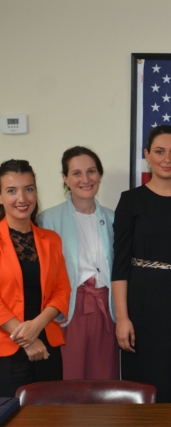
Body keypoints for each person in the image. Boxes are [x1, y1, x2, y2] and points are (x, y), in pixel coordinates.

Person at [112, 125, 171, 402]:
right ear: (147, 155)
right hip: (142, 308)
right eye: (159, 151)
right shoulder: (130, 201)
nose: (167, 159)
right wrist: (122, 319)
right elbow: (119, 267)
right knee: (143, 391)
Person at [39, 147, 118, 380]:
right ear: (65, 178)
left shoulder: (115, 219)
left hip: (107, 309)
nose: (85, 179)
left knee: (105, 381)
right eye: (76, 173)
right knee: (70, 380)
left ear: (99, 175)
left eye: (91, 171)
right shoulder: (47, 219)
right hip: (68, 310)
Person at [0, 159, 70, 396]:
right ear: (0, 197)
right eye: (12, 190)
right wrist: (28, 340)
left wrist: (37, 327)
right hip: (6, 351)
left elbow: (62, 291)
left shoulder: (51, 239)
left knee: (50, 416)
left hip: (47, 347)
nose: (22, 198)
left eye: (28, 189)